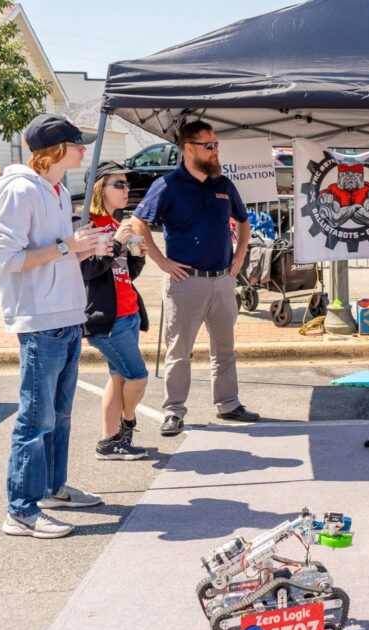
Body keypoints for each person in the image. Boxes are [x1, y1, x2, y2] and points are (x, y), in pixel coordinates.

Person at [0, 113, 105, 539]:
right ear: (56, 150)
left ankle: (53, 490)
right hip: (41, 321)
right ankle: (21, 510)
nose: (83, 151)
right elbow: (8, 258)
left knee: (59, 416)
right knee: (36, 420)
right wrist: (67, 246)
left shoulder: (55, 190)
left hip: (66, 316)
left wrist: (87, 248)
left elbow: (58, 255)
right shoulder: (21, 189)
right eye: (77, 144)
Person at [130, 120, 260, 436]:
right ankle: (174, 411)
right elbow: (138, 222)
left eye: (216, 145)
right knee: (179, 351)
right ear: (189, 148)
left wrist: (239, 257)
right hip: (185, 282)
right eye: (209, 145)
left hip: (223, 281)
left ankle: (228, 404)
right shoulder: (167, 185)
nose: (215, 151)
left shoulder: (223, 184)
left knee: (225, 349)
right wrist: (161, 261)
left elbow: (243, 221)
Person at [82, 161, 150, 459]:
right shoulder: (87, 225)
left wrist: (137, 256)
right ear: (100, 188)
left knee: (119, 378)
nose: (126, 189)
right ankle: (127, 423)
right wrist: (119, 245)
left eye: (127, 184)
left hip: (129, 313)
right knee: (138, 377)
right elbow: (87, 272)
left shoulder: (113, 223)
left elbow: (125, 274)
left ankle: (109, 442)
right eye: (119, 184)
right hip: (108, 320)